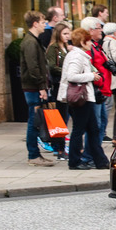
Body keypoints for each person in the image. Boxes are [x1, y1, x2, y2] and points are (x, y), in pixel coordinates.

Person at [56, 28, 109, 170]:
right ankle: (75, 161)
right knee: (80, 130)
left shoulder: (79, 55)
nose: (91, 43)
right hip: (80, 98)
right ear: (82, 42)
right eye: (89, 40)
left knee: (93, 130)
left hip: (84, 97)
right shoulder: (76, 56)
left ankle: (100, 161)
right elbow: (71, 76)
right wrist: (91, 76)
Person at [20, 10, 54, 167]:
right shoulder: (30, 42)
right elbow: (33, 67)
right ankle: (33, 154)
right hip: (33, 87)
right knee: (34, 121)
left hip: (34, 86)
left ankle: (35, 154)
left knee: (35, 120)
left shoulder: (33, 41)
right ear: (34, 24)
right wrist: (41, 86)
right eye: (42, 22)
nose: (44, 25)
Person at [80, 17, 112, 146]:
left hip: (102, 90)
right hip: (95, 90)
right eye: (99, 28)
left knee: (101, 123)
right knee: (95, 124)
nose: (101, 30)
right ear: (90, 30)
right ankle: (91, 153)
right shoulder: (89, 48)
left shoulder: (97, 46)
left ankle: (95, 151)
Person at [45, 22, 73, 160]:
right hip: (58, 85)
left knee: (65, 116)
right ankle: (59, 148)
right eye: (65, 33)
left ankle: (61, 146)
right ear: (58, 34)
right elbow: (52, 67)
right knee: (61, 117)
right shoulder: (53, 48)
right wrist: (68, 72)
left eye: (69, 33)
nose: (68, 36)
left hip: (67, 85)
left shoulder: (67, 47)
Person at [102, 22, 116, 144]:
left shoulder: (107, 42)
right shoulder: (111, 42)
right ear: (115, 32)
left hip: (115, 79)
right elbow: (115, 58)